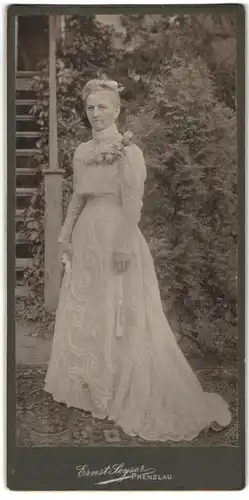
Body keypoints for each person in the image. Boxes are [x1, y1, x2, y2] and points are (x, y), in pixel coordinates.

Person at [44, 78, 232, 442]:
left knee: (120, 315)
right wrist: (64, 237)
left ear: (116, 110)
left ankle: (119, 389)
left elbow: (133, 203)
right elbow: (77, 199)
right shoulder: (82, 152)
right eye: (90, 108)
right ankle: (88, 388)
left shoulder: (129, 151)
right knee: (89, 312)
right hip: (86, 241)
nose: (95, 114)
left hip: (118, 237)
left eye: (102, 107)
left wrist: (124, 245)